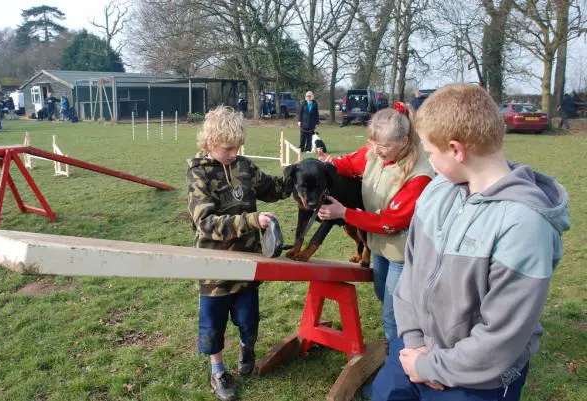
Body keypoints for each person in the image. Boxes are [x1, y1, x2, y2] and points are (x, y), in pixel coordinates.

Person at [371, 83, 570, 401]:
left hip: (477, 379)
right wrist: (412, 344)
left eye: (431, 152)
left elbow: (503, 336)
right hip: (413, 352)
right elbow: (410, 275)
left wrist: (432, 367)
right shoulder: (436, 193)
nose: (429, 161)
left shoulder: (524, 224)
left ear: (456, 150)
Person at [186, 105, 293, 401]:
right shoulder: (199, 173)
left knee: (249, 319)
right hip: (214, 268)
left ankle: (248, 352)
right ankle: (218, 371)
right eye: (227, 148)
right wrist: (250, 220)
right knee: (213, 326)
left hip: (248, 265)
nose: (233, 153)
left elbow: (273, 189)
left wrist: (303, 174)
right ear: (208, 143)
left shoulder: (245, 167)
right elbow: (205, 223)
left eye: (237, 147)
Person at [317, 103, 434, 342]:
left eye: (384, 145)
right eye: (373, 143)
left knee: (393, 316)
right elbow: (350, 163)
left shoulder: (419, 175)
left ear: (404, 141)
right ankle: (407, 338)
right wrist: (325, 167)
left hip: (403, 251)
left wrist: (345, 213)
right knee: (383, 294)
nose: (376, 150)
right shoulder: (375, 152)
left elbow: (391, 221)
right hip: (379, 245)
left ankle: (399, 362)